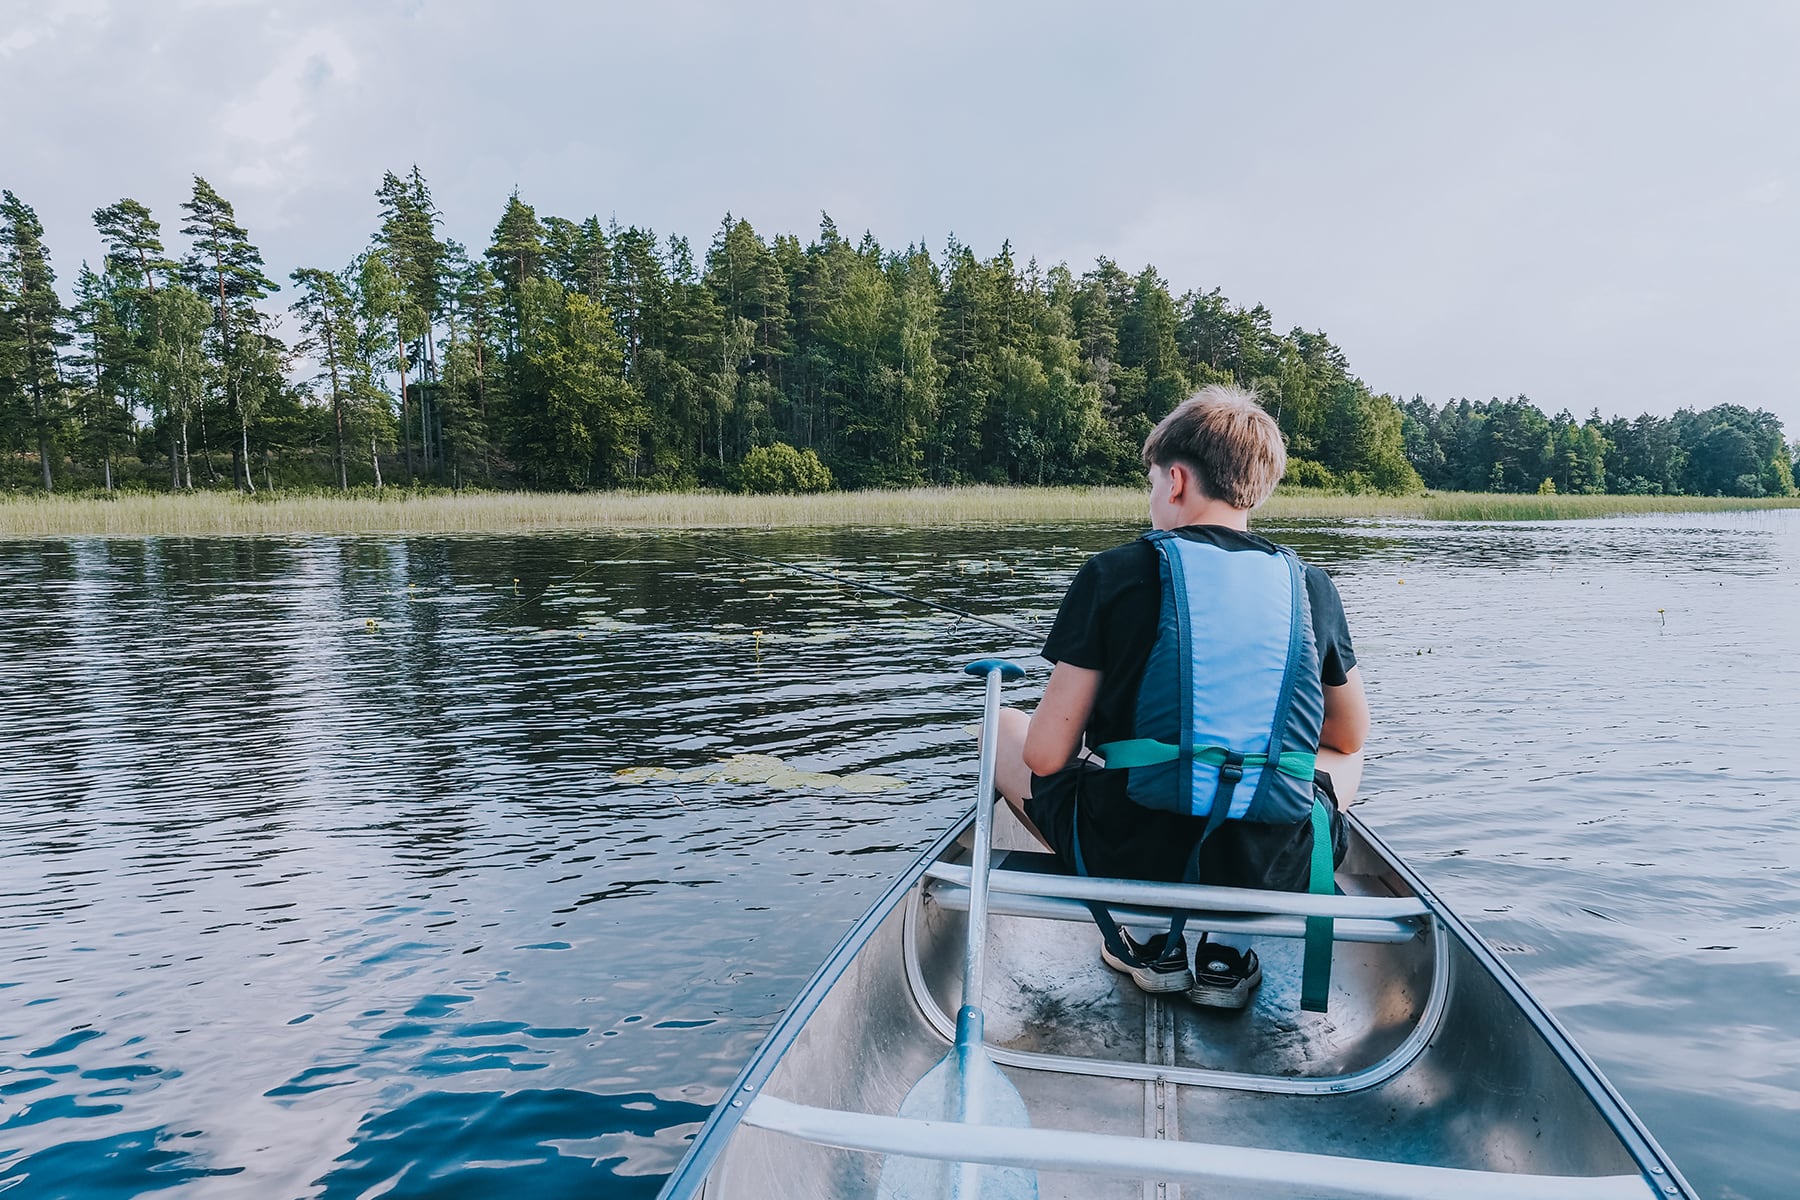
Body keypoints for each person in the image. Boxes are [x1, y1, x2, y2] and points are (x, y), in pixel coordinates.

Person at [993, 383, 1368, 1009]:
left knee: (1004, 725)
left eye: (1150, 484)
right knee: (1344, 756)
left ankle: (1145, 938)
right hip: (1271, 861)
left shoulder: (1113, 573)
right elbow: (1349, 736)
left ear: (1175, 482)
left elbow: (1045, 756)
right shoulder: (1310, 585)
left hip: (1132, 850)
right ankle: (1226, 948)